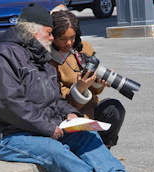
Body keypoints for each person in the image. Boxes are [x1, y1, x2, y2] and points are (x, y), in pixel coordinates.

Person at [0, 3, 154, 172]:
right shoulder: (1, 57)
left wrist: (69, 114)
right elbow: (8, 104)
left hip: (33, 128)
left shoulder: (39, 58)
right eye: (49, 33)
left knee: (86, 136)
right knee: (54, 150)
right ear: (32, 32)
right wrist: (48, 127)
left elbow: (54, 99)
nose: (52, 38)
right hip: (2, 135)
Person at [50, 10, 125, 149]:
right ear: (52, 37)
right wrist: (79, 89)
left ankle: (105, 148)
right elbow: (56, 100)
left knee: (114, 109)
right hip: (67, 116)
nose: (68, 43)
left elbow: (96, 92)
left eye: (72, 37)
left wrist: (98, 82)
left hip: (90, 110)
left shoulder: (83, 48)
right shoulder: (49, 61)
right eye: (62, 39)